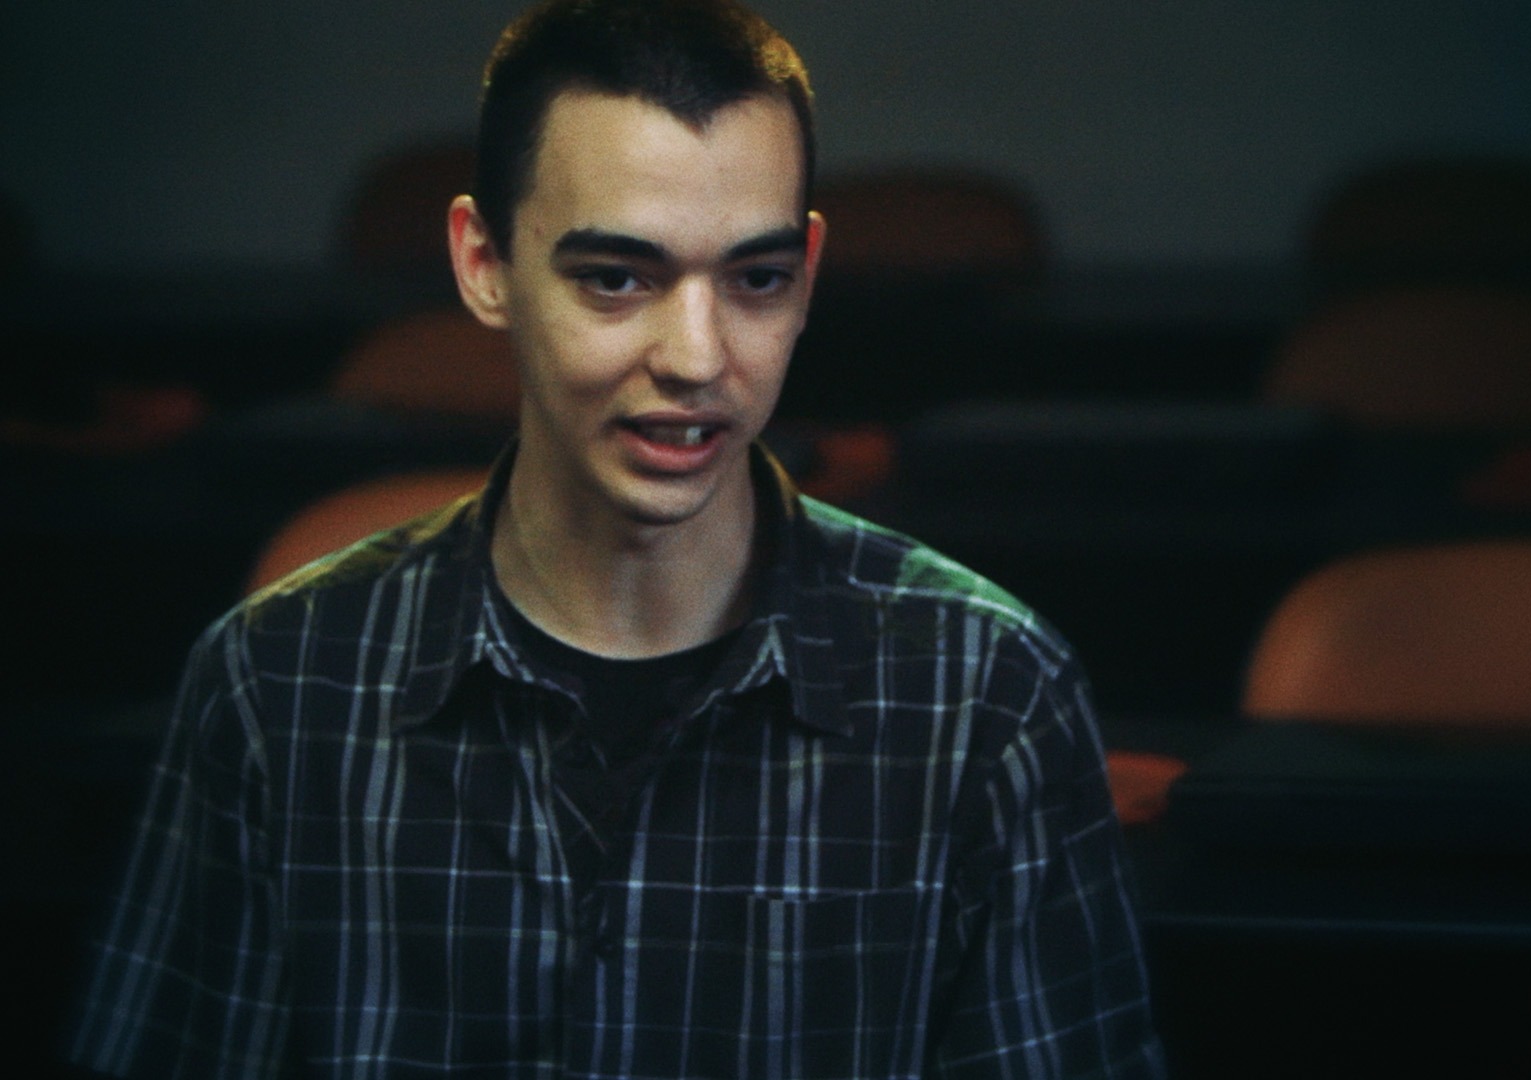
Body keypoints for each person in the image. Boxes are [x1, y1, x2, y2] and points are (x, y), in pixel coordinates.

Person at [69, 0, 1165, 1076]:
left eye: (757, 278)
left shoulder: (986, 692)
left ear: (809, 272)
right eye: (616, 278)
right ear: (483, 261)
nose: (697, 357)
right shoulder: (276, 682)